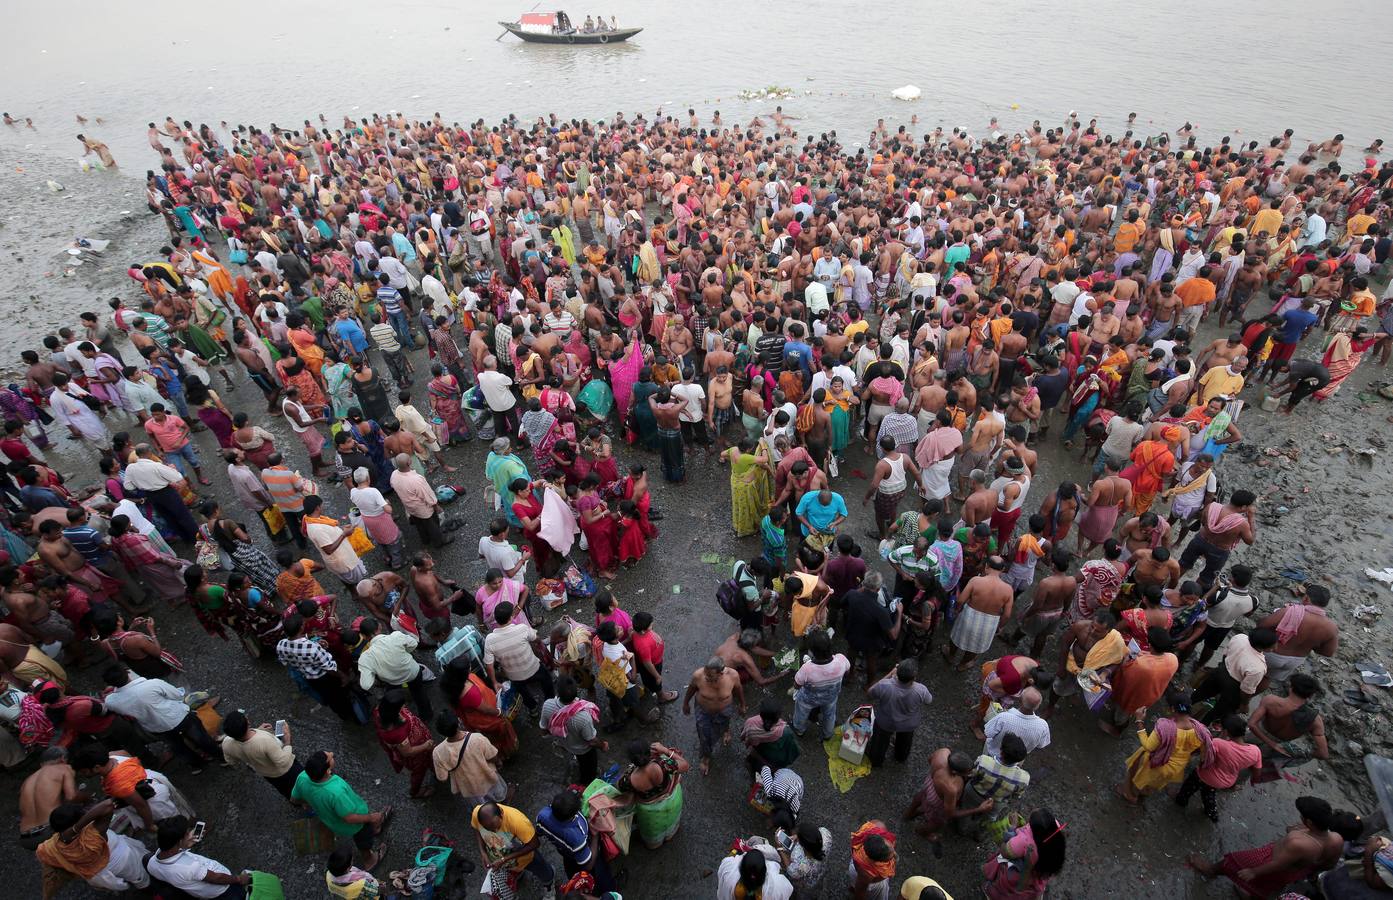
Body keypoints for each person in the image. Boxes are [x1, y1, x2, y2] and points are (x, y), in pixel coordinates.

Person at [1189, 796, 1343, 897]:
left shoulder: (1300, 843)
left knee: (1230, 862)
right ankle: (1250, 894)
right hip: (1296, 870)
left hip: (1271, 860)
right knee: (1267, 887)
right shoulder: (1336, 839)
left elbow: (1277, 864)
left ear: (1309, 822)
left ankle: (1211, 870)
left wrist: (1254, 871)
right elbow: (1330, 864)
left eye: (1302, 815)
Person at [291, 750, 389, 872]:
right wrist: (371, 817)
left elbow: (294, 799)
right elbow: (349, 818)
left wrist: (309, 802)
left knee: (368, 827)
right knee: (363, 839)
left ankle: (375, 826)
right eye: (330, 757)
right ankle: (370, 860)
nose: (332, 753)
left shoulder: (302, 777)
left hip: (331, 822)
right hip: (354, 824)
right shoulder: (335, 792)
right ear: (327, 770)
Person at [35, 800, 151, 894]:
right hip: (122, 861)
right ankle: (147, 887)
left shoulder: (55, 843)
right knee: (140, 875)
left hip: (97, 874)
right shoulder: (92, 834)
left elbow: (41, 852)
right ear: (77, 821)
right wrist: (77, 827)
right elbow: (108, 805)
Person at [1117, 691, 1213, 804]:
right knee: (1155, 782)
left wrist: (1139, 721)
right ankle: (1145, 792)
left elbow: (1148, 746)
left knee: (1139, 775)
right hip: (1177, 767)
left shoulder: (1164, 727)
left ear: (1172, 709)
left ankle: (1131, 795)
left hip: (1158, 763)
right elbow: (1204, 752)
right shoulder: (1200, 730)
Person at [1174, 713, 1262, 823]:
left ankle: (1181, 800)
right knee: (1209, 792)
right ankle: (1211, 813)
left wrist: (1221, 737)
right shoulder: (1255, 751)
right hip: (1226, 781)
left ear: (1225, 731)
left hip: (1205, 775)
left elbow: (1204, 756)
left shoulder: (1219, 743)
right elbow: (1257, 773)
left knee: (1190, 786)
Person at [146, 815, 257, 898]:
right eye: (187, 833)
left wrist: (184, 846)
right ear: (179, 841)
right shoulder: (189, 867)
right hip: (223, 890)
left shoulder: (151, 864)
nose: (190, 833)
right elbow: (216, 878)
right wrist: (238, 879)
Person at [537, 787, 618, 894]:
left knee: (574, 875)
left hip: (567, 854)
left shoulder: (542, 815)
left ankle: (579, 886)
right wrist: (595, 836)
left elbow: (539, 832)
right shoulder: (576, 836)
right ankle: (609, 891)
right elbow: (589, 865)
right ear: (572, 816)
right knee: (599, 874)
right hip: (584, 852)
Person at [1257, 582, 1339, 684]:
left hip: (1273, 654)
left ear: (1306, 598)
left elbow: (1262, 625)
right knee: (1266, 678)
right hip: (1295, 661)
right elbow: (1328, 652)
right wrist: (1311, 644)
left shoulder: (1290, 611)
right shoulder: (1331, 627)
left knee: (1250, 672)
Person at [982, 807, 1067, 900]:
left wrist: (1013, 827)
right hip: (1039, 874)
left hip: (1018, 875)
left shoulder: (1024, 842)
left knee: (1006, 889)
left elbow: (1004, 852)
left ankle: (991, 894)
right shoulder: (1054, 832)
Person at [617, 739, 690, 849]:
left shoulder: (628, 780)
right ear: (649, 752)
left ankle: (655, 844)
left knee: (653, 839)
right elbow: (685, 765)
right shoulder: (663, 764)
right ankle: (670, 835)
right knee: (671, 826)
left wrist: (630, 769)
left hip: (650, 814)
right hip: (672, 801)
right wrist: (665, 750)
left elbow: (620, 788)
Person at [220, 710, 302, 801]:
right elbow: (283, 762)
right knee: (302, 784)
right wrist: (287, 741)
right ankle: (308, 800)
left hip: (268, 774)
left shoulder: (226, 743)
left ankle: (296, 803)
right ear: (248, 722)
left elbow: (231, 761)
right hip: (287, 771)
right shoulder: (264, 741)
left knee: (286, 790)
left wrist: (258, 730)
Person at [683, 656, 745, 775]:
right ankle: (706, 757)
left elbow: (739, 689)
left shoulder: (733, 676)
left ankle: (726, 731)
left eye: (710, 677)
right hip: (703, 711)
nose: (706, 678)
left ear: (721, 673)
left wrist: (742, 705)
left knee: (725, 721)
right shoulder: (698, 676)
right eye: (706, 674)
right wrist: (686, 703)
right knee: (704, 735)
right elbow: (691, 689)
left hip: (724, 710)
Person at [431, 710, 506, 807]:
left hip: (468, 788)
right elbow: (492, 756)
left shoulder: (437, 752)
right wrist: (498, 762)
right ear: (459, 722)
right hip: (487, 778)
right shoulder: (477, 738)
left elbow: (442, 778)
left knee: (481, 806)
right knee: (497, 794)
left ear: (441, 732)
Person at [866, 659, 933, 766]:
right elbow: (929, 701)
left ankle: (876, 760)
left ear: (897, 672)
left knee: (879, 742)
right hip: (908, 724)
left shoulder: (885, 685)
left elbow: (870, 693)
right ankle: (901, 757)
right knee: (905, 741)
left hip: (885, 722)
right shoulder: (921, 690)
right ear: (914, 677)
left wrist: (889, 674)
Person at [790, 629, 849, 740]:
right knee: (830, 715)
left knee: (801, 712)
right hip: (831, 697)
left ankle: (799, 729)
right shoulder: (841, 660)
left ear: (812, 651)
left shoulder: (807, 669)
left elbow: (797, 685)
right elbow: (847, 671)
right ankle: (827, 734)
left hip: (809, 699)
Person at [717, 846, 794, 900]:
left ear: (740, 868)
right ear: (765, 872)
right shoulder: (778, 887)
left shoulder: (728, 870)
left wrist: (735, 851)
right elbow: (789, 888)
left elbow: (726, 860)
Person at [848, 820, 898, 900]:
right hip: (870, 884)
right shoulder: (867, 874)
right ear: (877, 861)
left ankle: (853, 886)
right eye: (890, 856)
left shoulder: (877, 825)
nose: (894, 854)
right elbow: (860, 891)